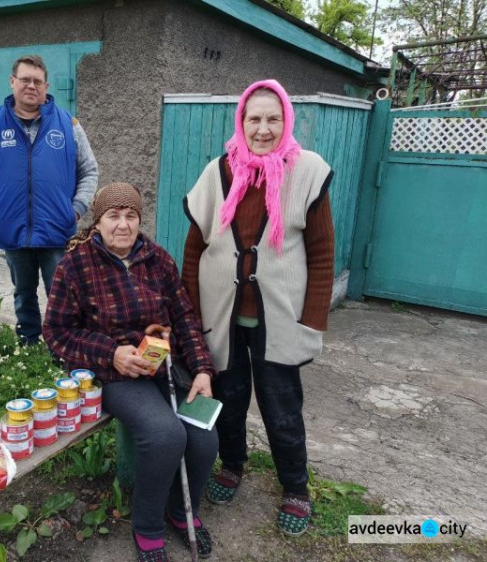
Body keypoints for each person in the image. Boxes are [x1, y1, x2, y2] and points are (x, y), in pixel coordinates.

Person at [182, 79, 335, 537]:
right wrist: (191, 314)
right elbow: (194, 249)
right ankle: (232, 465)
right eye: (255, 119)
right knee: (228, 399)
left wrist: (312, 319)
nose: (263, 129)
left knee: (281, 406)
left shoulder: (306, 171)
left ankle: (295, 488)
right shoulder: (219, 172)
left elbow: (322, 251)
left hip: (279, 316)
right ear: (241, 123)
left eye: (273, 119)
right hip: (222, 314)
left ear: (286, 121)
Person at [43, 183, 218, 561]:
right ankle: (148, 527)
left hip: (163, 363)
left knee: (204, 437)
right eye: (113, 216)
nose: (123, 225)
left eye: (131, 216)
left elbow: (185, 317)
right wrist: (111, 353)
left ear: (140, 220)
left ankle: (179, 511)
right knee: (164, 434)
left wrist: (202, 369)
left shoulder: (158, 259)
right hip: (112, 373)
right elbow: (56, 333)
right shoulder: (76, 265)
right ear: (98, 221)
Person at [0, 54, 98, 344]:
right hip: (12, 230)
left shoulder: (68, 124)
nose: (31, 86)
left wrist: (75, 209)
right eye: (25, 79)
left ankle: (61, 346)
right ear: (12, 82)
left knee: (61, 295)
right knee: (23, 293)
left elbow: (89, 169)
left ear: (46, 85)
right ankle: (28, 344)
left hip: (56, 231)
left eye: (37, 81)